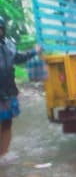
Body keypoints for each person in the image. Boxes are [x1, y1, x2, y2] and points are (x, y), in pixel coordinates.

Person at [0, 16, 42, 160]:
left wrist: (34, 52)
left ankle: (3, 154)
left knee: (7, 123)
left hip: (9, 90)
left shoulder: (8, 45)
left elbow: (19, 58)